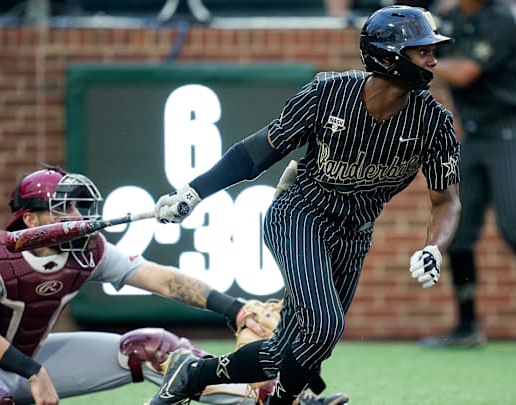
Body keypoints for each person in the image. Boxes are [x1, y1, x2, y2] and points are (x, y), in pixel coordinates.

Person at [148, 5, 462, 404]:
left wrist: (435, 246)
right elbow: (256, 154)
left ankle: (192, 374)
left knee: (297, 350)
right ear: (387, 56)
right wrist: (193, 193)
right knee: (325, 324)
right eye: (422, 51)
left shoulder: (434, 123)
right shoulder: (327, 93)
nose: (433, 60)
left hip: (354, 232)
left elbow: (446, 200)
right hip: (301, 214)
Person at [0, 166, 344, 405]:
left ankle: (271, 400)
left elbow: (160, 278)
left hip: (34, 356)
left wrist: (234, 309)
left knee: (160, 349)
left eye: (78, 206)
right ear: (30, 220)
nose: (76, 215)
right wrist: (33, 374)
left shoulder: (90, 250)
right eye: (62, 207)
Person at [420, 0, 516, 348]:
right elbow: (429, 36)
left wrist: (419, 62)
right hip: (474, 135)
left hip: (510, 130)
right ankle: (467, 325)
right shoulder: (453, 17)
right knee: (457, 230)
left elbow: (464, 72)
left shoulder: (500, 18)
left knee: (513, 223)